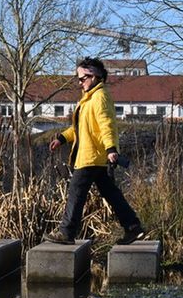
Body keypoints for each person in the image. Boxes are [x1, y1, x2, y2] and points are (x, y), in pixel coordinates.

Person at [46, 57, 145, 245]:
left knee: (76, 190)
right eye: (78, 79)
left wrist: (111, 149)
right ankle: (133, 227)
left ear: (95, 76)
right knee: (111, 193)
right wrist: (62, 138)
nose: (79, 82)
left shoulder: (99, 97)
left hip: (91, 156)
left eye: (82, 78)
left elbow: (106, 124)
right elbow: (80, 128)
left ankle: (66, 233)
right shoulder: (89, 99)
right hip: (95, 156)